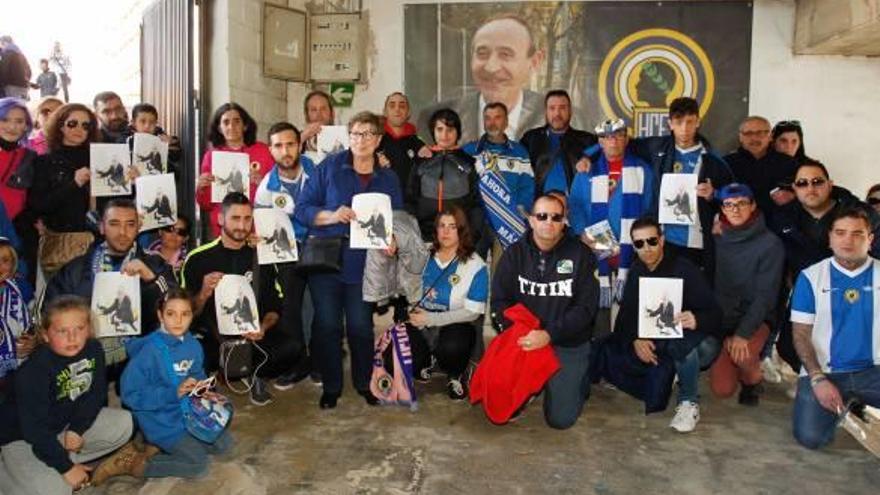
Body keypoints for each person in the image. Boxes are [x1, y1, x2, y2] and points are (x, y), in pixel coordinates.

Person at [296, 111, 404, 409]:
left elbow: (397, 219)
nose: (362, 140)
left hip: (366, 264)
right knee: (328, 325)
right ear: (349, 136)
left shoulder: (388, 177)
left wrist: (393, 239)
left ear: (379, 139)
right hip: (327, 260)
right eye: (356, 133)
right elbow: (303, 209)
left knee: (359, 326)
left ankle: (363, 382)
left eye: (369, 134)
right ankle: (331, 387)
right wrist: (331, 215)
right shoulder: (329, 167)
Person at [0, 296, 139, 494]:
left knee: (125, 424)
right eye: (62, 331)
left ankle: (56, 462)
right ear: (46, 335)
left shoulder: (93, 349)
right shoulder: (34, 370)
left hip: (61, 424)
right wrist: (66, 468)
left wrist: (77, 429)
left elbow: (96, 394)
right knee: (55, 490)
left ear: (89, 329)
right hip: (22, 437)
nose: (72, 338)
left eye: (79, 329)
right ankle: (15, 473)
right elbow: (35, 431)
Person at [599, 217, 722, 432]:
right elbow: (627, 315)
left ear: (662, 240)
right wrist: (636, 339)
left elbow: (716, 313)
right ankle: (677, 371)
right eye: (639, 244)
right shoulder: (637, 270)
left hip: (696, 340)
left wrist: (696, 318)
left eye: (652, 241)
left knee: (684, 346)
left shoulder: (685, 269)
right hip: (658, 338)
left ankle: (688, 401)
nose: (646, 248)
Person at [490, 194, 599, 429]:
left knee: (560, 420)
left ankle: (578, 380)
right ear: (531, 220)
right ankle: (535, 383)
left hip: (566, 342)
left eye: (556, 217)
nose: (548, 222)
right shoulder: (514, 255)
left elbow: (585, 310)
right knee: (503, 405)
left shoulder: (581, 255)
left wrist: (549, 335)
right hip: (526, 338)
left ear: (564, 222)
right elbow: (500, 301)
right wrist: (518, 333)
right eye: (542, 216)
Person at [181, 192, 298, 407]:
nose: (242, 226)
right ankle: (213, 376)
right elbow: (184, 315)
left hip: (251, 338)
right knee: (190, 352)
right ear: (220, 219)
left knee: (292, 348)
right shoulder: (197, 259)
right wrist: (204, 293)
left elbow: (275, 307)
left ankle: (255, 375)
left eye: (247, 219)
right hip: (214, 338)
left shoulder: (261, 256)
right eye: (235, 218)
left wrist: (262, 326)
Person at [770, 160, 880, 371]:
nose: (810, 188)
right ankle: (813, 378)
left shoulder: (860, 214)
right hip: (808, 293)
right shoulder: (784, 218)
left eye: (817, 181)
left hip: (857, 292)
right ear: (794, 188)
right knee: (789, 346)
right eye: (802, 183)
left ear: (830, 184)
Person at [44, 198, 177, 365]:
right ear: (101, 227)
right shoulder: (75, 269)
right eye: (114, 224)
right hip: (85, 356)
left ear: (139, 227)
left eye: (130, 224)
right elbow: (51, 314)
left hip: (143, 357)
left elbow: (177, 310)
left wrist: (150, 279)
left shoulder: (156, 264)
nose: (122, 232)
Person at [790, 208, 880, 449]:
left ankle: (853, 400)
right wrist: (817, 379)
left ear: (870, 239)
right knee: (812, 438)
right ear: (830, 238)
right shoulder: (810, 277)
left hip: (874, 372)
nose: (847, 240)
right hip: (826, 372)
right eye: (840, 233)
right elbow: (800, 334)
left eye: (857, 234)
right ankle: (843, 402)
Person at [120, 288, 232, 479]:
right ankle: (140, 465)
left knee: (224, 445)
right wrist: (173, 393)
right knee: (198, 465)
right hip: (160, 419)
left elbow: (197, 374)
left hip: (188, 412)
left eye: (185, 314)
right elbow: (130, 395)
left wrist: (205, 391)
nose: (179, 321)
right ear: (160, 315)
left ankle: (160, 448)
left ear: (192, 315)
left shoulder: (193, 345)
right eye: (171, 314)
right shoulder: (148, 352)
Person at [417, 15, 576, 144]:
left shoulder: (558, 117)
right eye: (482, 53)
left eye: (505, 54)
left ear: (534, 61)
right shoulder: (432, 119)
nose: (491, 67)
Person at [626, 96, 734, 274]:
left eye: (690, 122)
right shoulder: (657, 148)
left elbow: (733, 197)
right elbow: (619, 142)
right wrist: (587, 156)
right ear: (670, 124)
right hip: (661, 241)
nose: (684, 128)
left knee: (692, 296)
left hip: (696, 243)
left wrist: (712, 194)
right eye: (678, 122)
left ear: (698, 122)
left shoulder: (713, 160)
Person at [569, 119, 655, 336]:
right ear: (600, 141)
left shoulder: (643, 171)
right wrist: (581, 232)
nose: (613, 140)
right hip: (595, 254)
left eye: (618, 135)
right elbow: (575, 205)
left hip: (632, 256)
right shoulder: (586, 171)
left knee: (630, 323)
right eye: (607, 137)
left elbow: (649, 210)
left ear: (626, 139)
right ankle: (598, 362)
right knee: (598, 321)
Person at [253, 121, 318, 390]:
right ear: (271, 150)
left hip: (318, 246)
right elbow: (261, 224)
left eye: (290, 144)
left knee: (320, 307)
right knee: (291, 308)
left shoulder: (318, 171)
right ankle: (298, 361)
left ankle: (320, 360)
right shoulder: (266, 188)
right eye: (278, 145)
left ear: (299, 144)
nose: (285, 150)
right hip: (286, 254)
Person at [707, 183, 784, 406]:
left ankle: (753, 379)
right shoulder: (716, 237)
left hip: (755, 316)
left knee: (744, 353)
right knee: (722, 390)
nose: (735, 210)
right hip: (723, 316)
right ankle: (737, 362)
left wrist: (742, 334)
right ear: (721, 209)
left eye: (741, 203)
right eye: (729, 205)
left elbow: (765, 297)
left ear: (753, 205)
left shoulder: (770, 244)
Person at [408, 206, 488, 401]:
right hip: (423, 322)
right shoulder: (423, 254)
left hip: (456, 326)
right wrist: (412, 307)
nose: (445, 232)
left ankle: (456, 374)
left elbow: (472, 312)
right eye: (441, 226)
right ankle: (429, 360)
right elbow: (405, 286)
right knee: (397, 358)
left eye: (452, 227)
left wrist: (432, 318)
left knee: (452, 347)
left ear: (462, 230)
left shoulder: (475, 264)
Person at [27, 103, 101, 278]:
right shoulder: (45, 162)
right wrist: (73, 184)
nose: (79, 129)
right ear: (60, 126)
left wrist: (129, 180)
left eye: (86, 125)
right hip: (61, 245)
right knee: (63, 303)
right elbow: (38, 204)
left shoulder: (100, 159)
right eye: (72, 123)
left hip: (98, 243)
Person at [461, 102, 535, 256]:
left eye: (497, 118)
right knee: (473, 269)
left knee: (503, 274)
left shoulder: (520, 152)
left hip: (507, 221)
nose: (492, 123)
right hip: (477, 223)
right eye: (487, 118)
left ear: (506, 121)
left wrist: (519, 209)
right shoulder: (469, 151)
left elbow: (527, 186)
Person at [196, 102, 274, 238]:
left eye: (237, 121)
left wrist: (263, 183)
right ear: (219, 128)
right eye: (226, 122)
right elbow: (205, 205)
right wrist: (201, 188)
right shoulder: (211, 156)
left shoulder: (263, 151)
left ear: (245, 125)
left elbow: (277, 192)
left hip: (257, 229)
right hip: (225, 231)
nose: (231, 126)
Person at [407, 108, 482, 242]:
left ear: (457, 132)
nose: (445, 135)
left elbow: (475, 204)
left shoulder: (468, 163)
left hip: (459, 238)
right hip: (425, 237)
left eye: (450, 129)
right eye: (440, 129)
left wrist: (472, 236)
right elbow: (411, 200)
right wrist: (414, 234)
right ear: (433, 131)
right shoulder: (421, 161)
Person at [520, 90, 597, 195]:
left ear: (570, 111)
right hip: (540, 207)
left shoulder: (587, 140)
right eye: (552, 108)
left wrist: (588, 158)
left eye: (562, 108)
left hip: (575, 207)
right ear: (546, 112)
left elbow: (609, 153)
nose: (557, 113)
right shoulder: (530, 139)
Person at [723, 116, 797, 218]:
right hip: (738, 227)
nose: (754, 138)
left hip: (778, 226)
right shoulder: (726, 163)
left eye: (760, 133)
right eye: (748, 133)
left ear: (770, 136)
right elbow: (717, 197)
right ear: (740, 137)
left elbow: (803, 194)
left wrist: (794, 196)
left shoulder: (789, 163)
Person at [0, 237, 35, 391]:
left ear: (13, 264)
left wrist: (33, 341)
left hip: (19, 360)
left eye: (5, 260)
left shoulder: (22, 288)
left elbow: (34, 321)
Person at [376, 92, 425, 200]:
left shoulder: (417, 142)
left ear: (408, 113)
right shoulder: (374, 140)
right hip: (381, 202)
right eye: (392, 105)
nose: (397, 109)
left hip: (411, 204)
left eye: (402, 106)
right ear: (385, 112)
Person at [145, 215, 190, 279]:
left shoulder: (189, 263)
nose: (174, 235)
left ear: (186, 238)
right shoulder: (144, 258)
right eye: (169, 229)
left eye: (180, 232)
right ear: (160, 231)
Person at [300, 90, 335, 163]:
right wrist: (303, 136)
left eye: (323, 109)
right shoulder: (297, 138)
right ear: (307, 115)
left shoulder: (346, 138)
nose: (318, 115)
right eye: (313, 110)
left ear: (332, 113)